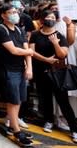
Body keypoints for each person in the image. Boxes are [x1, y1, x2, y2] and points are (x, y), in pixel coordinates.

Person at [29, 10, 77, 143]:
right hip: (41, 71)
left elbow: (62, 55)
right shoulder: (35, 34)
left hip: (58, 73)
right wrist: (45, 59)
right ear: (42, 19)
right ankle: (48, 121)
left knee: (63, 101)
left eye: (52, 17)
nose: (50, 19)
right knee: (45, 98)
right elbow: (31, 52)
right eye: (47, 17)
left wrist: (55, 43)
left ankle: (74, 129)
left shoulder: (59, 36)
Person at [0, 4, 34, 147]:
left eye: (15, 12)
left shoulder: (19, 29)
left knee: (19, 99)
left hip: (21, 69)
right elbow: (14, 50)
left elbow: (25, 49)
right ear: (3, 15)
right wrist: (28, 52)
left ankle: (13, 125)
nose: (14, 15)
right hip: (7, 70)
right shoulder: (1, 29)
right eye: (10, 12)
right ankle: (17, 131)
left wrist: (29, 67)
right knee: (13, 101)